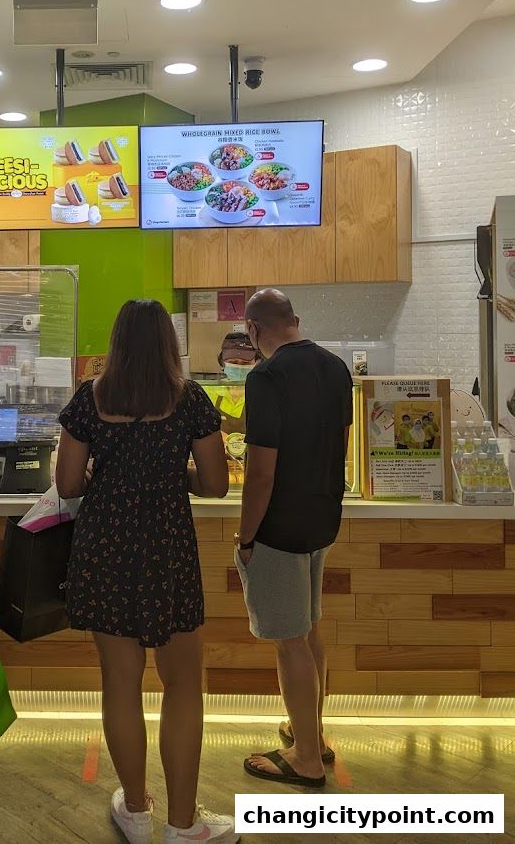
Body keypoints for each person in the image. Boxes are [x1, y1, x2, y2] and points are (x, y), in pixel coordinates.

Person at [56, 299, 238, 844]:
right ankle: (183, 824)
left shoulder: (89, 398)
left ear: (116, 342)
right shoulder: (190, 400)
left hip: (105, 546)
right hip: (167, 548)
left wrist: (111, 476)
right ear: (168, 343)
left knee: (120, 682)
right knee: (182, 684)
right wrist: (172, 474)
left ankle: (135, 811)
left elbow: (67, 484)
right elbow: (215, 484)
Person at [233, 289, 352, 790]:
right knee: (308, 630)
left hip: (279, 526)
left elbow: (261, 472)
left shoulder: (267, 376)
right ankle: (312, 734)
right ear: (295, 320)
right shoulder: (336, 367)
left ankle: (304, 759)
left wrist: (246, 535)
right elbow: (340, 445)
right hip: (322, 518)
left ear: (253, 330)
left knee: (289, 641)